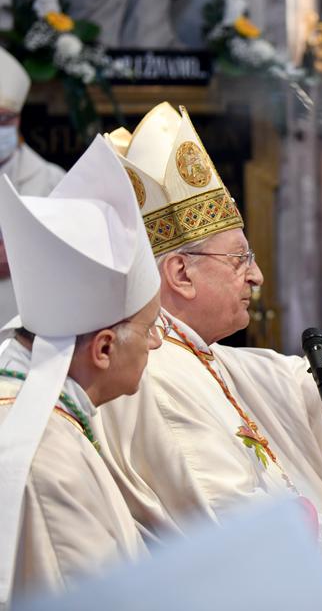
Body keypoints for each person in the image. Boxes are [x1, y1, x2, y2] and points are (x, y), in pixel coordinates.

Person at [96, 103, 322, 609]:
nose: (256, 276)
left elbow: (301, 384)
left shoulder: (202, 355)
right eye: (240, 258)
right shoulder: (157, 371)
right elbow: (228, 524)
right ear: (179, 273)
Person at [0, 136, 160, 604]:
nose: (156, 341)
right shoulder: (47, 459)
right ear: (104, 348)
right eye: (149, 327)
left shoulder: (37, 414)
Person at [0, 46, 66, 324]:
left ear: (19, 120)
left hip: (26, 327)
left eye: (4, 119)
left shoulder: (52, 181)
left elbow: (69, 260)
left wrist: (19, 253)